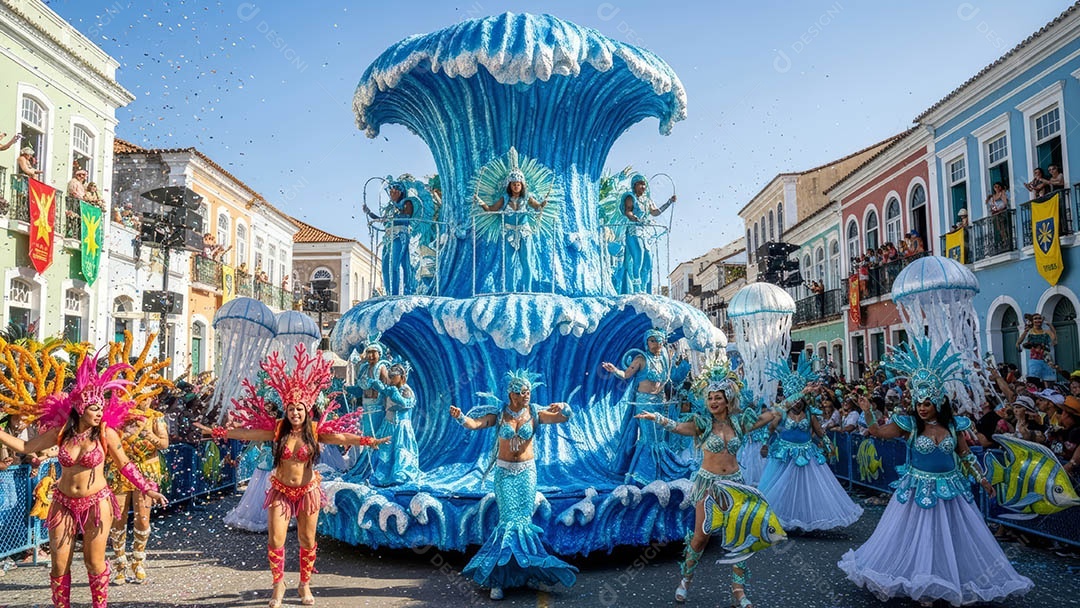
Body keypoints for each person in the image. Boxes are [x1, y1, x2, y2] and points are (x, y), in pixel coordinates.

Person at [839, 339, 1033, 606]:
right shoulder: (909, 426)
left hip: (950, 490)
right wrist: (868, 411)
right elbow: (877, 433)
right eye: (919, 403)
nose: (921, 407)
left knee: (949, 537)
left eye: (927, 403)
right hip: (917, 489)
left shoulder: (953, 427)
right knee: (917, 536)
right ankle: (921, 582)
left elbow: (965, 455)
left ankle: (945, 579)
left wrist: (982, 479)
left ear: (938, 403)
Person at [200, 345, 387, 607]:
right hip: (280, 490)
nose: (295, 413)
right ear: (286, 411)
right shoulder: (278, 430)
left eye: (299, 409)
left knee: (307, 539)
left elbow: (342, 437)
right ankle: (278, 584)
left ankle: (304, 584)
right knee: (275, 538)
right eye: (291, 409)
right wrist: (220, 432)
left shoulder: (314, 430)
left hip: (308, 491)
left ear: (306, 410)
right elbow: (249, 433)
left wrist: (368, 440)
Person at [0, 354, 167, 608]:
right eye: (94, 408)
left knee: (94, 562)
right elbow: (25, 445)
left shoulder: (105, 434)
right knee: (58, 564)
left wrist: (148, 488)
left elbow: (125, 464)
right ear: (80, 408)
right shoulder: (60, 434)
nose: (100, 412)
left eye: (101, 407)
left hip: (97, 503)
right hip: (63, 503)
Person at [636, 363, 780, 606]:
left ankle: (738, 592)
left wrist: (795, 398)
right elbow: (678, 427)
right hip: (709, 485)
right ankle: (685, 582)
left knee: (739, 537)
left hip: (735, 484)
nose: (713, 402)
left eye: (718, 398)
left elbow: (767, 416)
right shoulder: (702, 424)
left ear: (727, 400)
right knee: (700, 538)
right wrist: (657, 417)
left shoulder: (739, 423)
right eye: (710, 398)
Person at [449, 370, 577, 601]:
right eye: (522, 392)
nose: (527, 395)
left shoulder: (535, 412)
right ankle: (498, 579)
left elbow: (564, 418)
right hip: (505, 474)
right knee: (508, 523)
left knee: (524, 523)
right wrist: (460, 417)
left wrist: (564, 407)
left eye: (529, 391)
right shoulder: (499, 414)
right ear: (512, 393)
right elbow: (474, 424)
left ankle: (529, 573)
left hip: (527, 473)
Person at [756, 355, 863, 532]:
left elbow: (819, 432)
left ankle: (805, 519)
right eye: (795, 399)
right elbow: (770, 429)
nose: (797, 403)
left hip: (807, 454)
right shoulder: (781, 413)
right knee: (785, 487)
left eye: (800, 400)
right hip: (785, 455)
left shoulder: (809, 413)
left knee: (806, 489)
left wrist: (828, 445)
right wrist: (765, 444)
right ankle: (783, 519)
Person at [601, 329, 689, 485]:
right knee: (649, 438)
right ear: (647, 342)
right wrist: (614, 370)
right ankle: (643, 474)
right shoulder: (640, 359)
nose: (656, 344)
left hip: (660, 402)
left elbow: (669, 380)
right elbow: (625, 375)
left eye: (659, 341)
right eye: (652, 340)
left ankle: (661, 471)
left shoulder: (665, 358)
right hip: (644, 403)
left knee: (660, 438)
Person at [106, 411, 169, 585]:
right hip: (118, 470)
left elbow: (164, 444)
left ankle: (138, 562)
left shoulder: (155, 417)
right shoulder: (118, 415)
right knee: (118, 518)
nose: (144, 402)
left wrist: (149, 435)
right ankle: (119, 565)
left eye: (148, 397)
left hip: (146, 471)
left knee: (142, 519)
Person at [475, 168, 547, 292]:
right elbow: (491, 209)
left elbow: (537, 207)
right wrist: (481, 203)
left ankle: (527, 290)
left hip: (524, 233)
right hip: (509, 233)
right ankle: (510, 290)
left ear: (522, 185)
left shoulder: (527, 197)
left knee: (526, 261)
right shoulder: (504, 198)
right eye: (513, 184)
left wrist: (542, 205)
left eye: (518, 184)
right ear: (510, 185)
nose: (516, 186)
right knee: (509, 262)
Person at [619, 174, 675, 293]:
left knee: (648, 262)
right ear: (635, 185)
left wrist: (669, 202)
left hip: (645, 233)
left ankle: (643, 288)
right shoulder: (630, 197)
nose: (643, 187)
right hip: (633, 231)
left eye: (644, 184)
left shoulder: (647, 200)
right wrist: (634, 218)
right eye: (640, 184)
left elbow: (655, 212)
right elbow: (627, 211)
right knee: (639, 255)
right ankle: (636, 287)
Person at [369, 359, 420, 486]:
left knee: (402, 450)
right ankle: (383, 475)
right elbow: (384, 396)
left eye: (394, 377)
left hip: (402, 426)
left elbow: (407, 403)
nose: (391, 379)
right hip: (389, 424)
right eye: (390, 376)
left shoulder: (406, 390)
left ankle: (401, 474)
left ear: (401, 377)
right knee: (385, 450)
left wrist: (396, 395)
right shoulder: (391, 389)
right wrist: (377, 386)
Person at [364, 179, 415, 296]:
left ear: (400, 192)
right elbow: (383, 220)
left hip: (399, 236)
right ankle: (389, 292)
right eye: (390, 192)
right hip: (388, 238)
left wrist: (394, 217)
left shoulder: (406, 203)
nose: (391, 194)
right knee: (385, 265)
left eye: (394, 191)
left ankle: (397, 292)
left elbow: (406, 217)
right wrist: (369, 213)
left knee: (394, 264)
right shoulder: (389, 208)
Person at [1017, 312, 1057, 382]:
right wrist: (1025, 332)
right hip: (1034, 360)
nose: (1038, 320)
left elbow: (1055, 340)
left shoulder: (1046, 332)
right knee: (1034, 381)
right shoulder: (1029, 332)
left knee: (1049, 380)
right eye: (1035, 319)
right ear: (1032, 321)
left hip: (1046, 359)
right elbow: (1019, 342)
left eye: (1039, 318)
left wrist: (1050, 325)